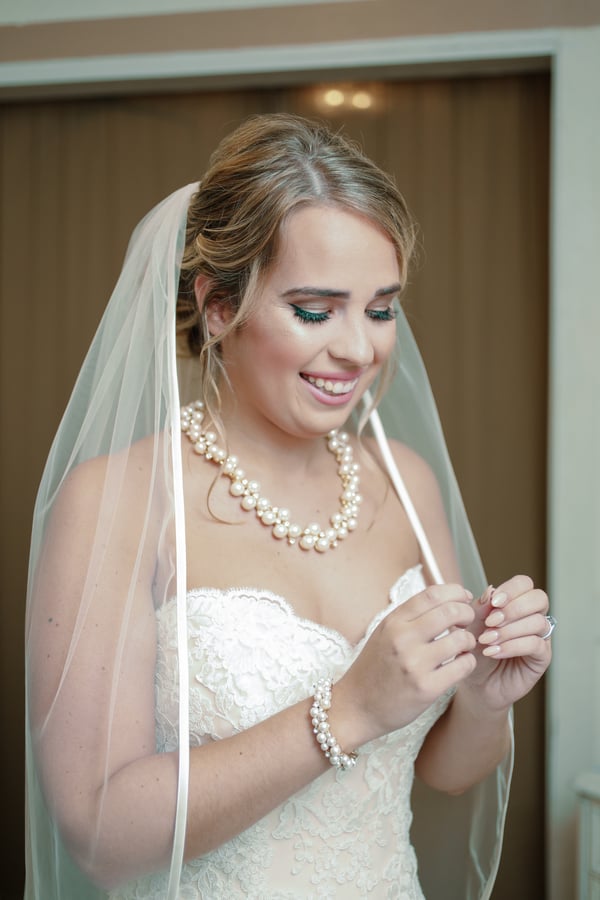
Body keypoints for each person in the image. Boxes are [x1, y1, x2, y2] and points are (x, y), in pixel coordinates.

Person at [24, 113, 553, 900]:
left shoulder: (406, 482)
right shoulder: (117, 501)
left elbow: (443, 770)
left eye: (380, 309)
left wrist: (482, 703)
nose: (359, 349)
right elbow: (101, 834)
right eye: (315, 310)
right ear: (218, 306)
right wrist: (345, 708)